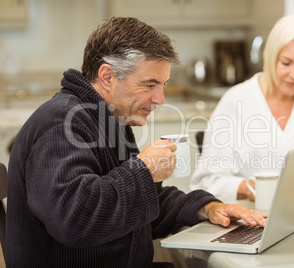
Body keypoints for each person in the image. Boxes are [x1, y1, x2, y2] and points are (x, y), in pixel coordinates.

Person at [5, 17, 267, 267]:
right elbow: (77, 218)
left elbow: (135, 205)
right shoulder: (60, 125)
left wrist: (206, 207)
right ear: (107, 76)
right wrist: (143, 170)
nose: (160, 99)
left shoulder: (110, 118)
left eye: (162, 85)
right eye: (149, 84)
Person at [190, 13, 294, 203]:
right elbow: (205, 182)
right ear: (271, 58)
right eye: (286, 63)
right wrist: (246, 187)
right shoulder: (236, 100)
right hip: (250, 220)